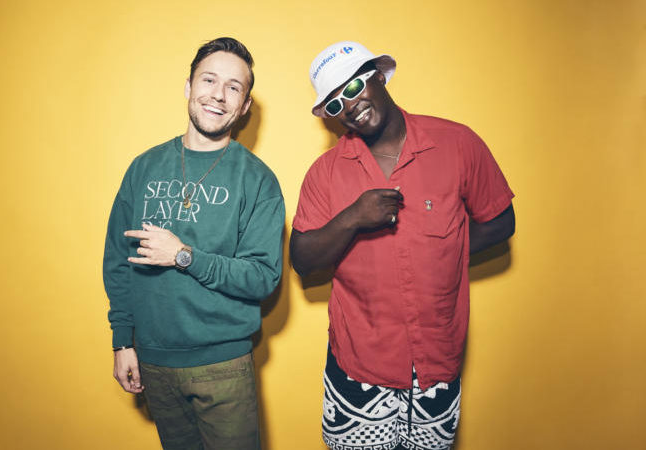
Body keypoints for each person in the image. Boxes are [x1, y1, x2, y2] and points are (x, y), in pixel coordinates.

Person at [290, 41, 515, 450]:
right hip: (358, 367)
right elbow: (303, 259)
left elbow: (501, 221)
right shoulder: (325, 173)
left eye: (354, 87)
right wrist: (353, 218)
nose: (350, 106)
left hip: (437, 363)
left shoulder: (457, 143)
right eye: (336, 104)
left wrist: (444, 251)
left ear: (379, 75)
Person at [103, 37, 284, 450]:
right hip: (153, 361)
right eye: (209, 80)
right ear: (188, 86)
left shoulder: (258, 180)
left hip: (222, 365)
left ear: (245, 106)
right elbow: (117, 260)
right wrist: (123, 340)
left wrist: (183, 256)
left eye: (233, 87)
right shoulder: (144, 167)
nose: (218, 95)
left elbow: (262, 277)